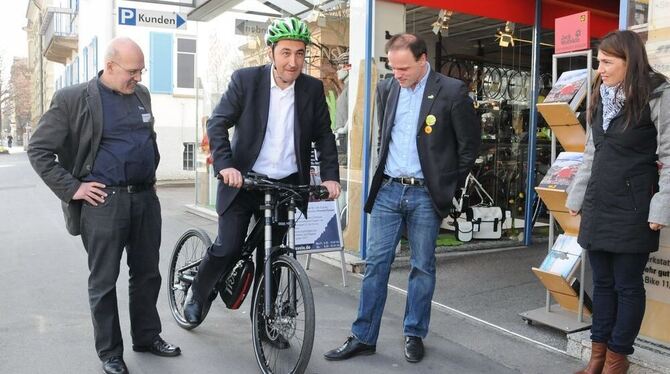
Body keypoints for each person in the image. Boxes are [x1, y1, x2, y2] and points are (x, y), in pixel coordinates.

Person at [324, 33, 480, 363]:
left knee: (422, 267)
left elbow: (469, 148)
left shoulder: (452, 92)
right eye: (393, 68)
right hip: (389, 189)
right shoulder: (387, 88)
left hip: (426, 193)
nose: (398, 74)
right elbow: (385, 136)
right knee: (376, 265)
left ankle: (414, 333)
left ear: (423, 60)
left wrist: (445, 186)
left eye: (404, 68)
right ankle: (363, 336)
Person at [28, 37, 180, 374]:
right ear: (110, 66)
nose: (138, 78)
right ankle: (110, 353)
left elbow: (148, 139)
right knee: (104, 280)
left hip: (144, 199)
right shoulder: (73, 99)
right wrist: (74, 188)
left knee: (147, 274)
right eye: (132, 71)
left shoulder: (142, 95)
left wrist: (150, 172)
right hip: (103, 203)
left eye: (141, 71)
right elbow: (38, 150)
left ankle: (146, 336)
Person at [183, 17, 340, 335]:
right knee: (228, 247)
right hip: (244, 181)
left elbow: (324, 136)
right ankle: (198, 293)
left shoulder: (312, 89)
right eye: (285, 52)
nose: (293, 61)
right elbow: (217, 123)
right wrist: (226, 165)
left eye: (299, 53)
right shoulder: (246, 81)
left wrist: (330, 177)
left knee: (272, 256)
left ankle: (266, 324)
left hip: (285, 186)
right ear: (272, 52)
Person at [566, 30, 669, 374]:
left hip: (634, 206)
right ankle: (597, 356)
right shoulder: (601, 93)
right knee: (602, 283)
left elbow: (669, 156)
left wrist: (661, 207)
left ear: (630, 61)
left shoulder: (658, 94)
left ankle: (616, 359)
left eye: (608, 62)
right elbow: (592, 152)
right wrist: (577, 195)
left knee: (627, 285)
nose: (600, 69)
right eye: (599, 61)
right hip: (599, 202)